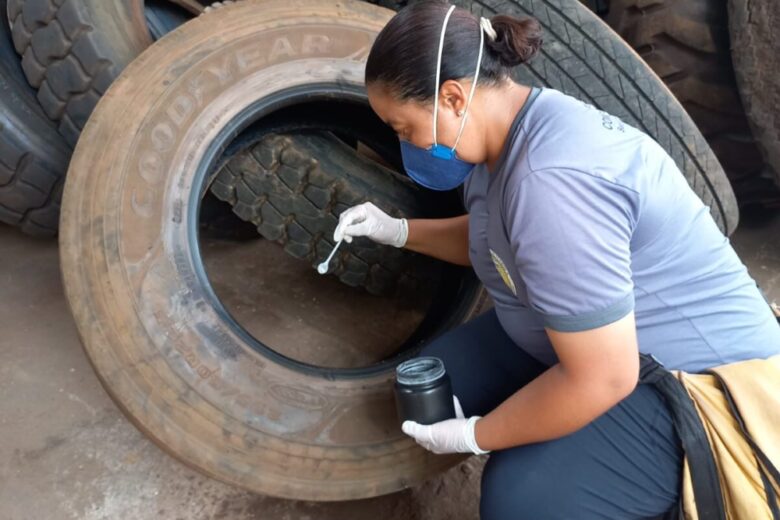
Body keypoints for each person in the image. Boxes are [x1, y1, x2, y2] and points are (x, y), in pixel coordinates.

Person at [332, 2, 780, 518]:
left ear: (452, 97)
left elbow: (605, 377)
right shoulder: (503, 134)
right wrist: (398, 231)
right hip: (596, 343)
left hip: (697, 383)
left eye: (404, 127)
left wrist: (478, 434)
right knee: (430, 387)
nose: (403, 141)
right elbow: (495, 237)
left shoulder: (551, 182)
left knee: (523, 498)